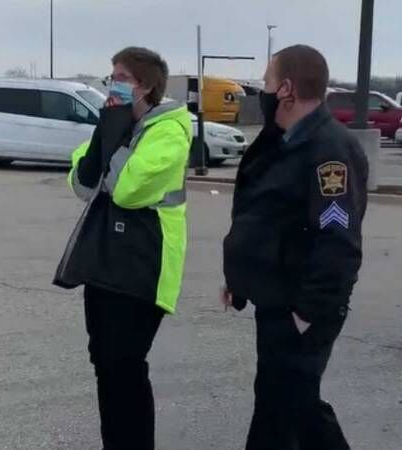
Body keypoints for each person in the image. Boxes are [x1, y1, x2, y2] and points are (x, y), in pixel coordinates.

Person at [221, 45, 368, 450]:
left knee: (288, 409)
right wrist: (241, 279)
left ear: (286, 89)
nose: (263, 91)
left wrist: (307, 313)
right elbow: (261, 217)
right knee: (288, 406)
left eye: (267, 82)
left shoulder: (329, 151)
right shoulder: (281, 141)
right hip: (276, 298)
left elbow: (338, 242)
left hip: (301, 307)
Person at [53, 47, 192, 450]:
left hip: (144, 265)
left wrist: (110, 145)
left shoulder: (169, 130)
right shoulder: (116, 124)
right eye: (111, 77)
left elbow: (128, 189)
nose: (112, 85)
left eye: (122, 78)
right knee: (105, 365)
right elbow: (82, 183)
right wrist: (105, 132)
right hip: (105, 261)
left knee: (125, 367)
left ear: (145, 86)